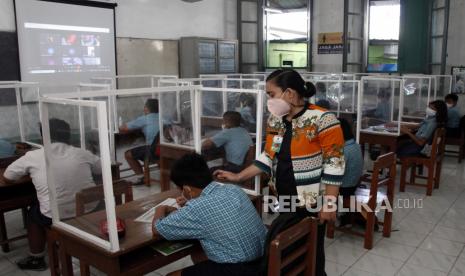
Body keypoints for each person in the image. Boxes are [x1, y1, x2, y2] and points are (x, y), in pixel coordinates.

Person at [215, 69, 345, 276]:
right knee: (290, 248)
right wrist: (239, 176)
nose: (269, 100)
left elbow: (334, 163)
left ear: (290, 94)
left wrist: (330, 203)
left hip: (312, 200)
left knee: (311, 249)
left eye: (271, 94)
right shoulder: (276, 121)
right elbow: (268, 156)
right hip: (284, 196)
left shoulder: (323, 119)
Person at [3, 119, 101, 271]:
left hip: (56, 217)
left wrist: (30, 174)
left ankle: (36, 258)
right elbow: (101, 170)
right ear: (69, 136)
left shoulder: (33, 156)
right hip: (90, 211)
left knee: (33, 213)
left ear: (43, 137)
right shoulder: (82, 153)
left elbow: (8, 177)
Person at [152, 153, 266, 276]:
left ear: (187, 189)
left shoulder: (196, 208)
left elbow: (157, 229)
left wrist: (160, 208)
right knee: (200, 253)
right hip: (263, 260)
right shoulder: (233, 189)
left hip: (240, 270)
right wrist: (191, 202)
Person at [119, 99, 160, 184]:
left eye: (144, 107)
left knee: (128, 154)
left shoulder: (145, 119)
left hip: (154, 151)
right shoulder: (165, 117)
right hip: (165, 150)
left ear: (146, 109)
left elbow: (123, 128)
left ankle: (141, 178)